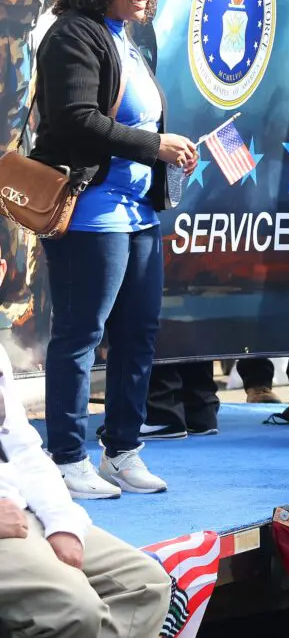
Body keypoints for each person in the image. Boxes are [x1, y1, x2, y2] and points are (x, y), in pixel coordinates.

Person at [29, 0, 198, 498]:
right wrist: (155, 147)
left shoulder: (128, 39)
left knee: (138, 334)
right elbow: (76, 119)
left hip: (138, 215)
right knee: (80, 335)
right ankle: (67, 457)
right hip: (90, 214)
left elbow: (135, 123)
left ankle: (122, 451)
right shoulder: (70, 35)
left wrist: (164, 153)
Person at [0, 235, 171, 637]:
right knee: (77, 609)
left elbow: (22, 448)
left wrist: (60, 523)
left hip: (21, 507)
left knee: (146, 584)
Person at [0, 0, 64, 364]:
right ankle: (14, 303)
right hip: (17, 47)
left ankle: (11, 304)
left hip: (4, 44)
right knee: (11, 161)